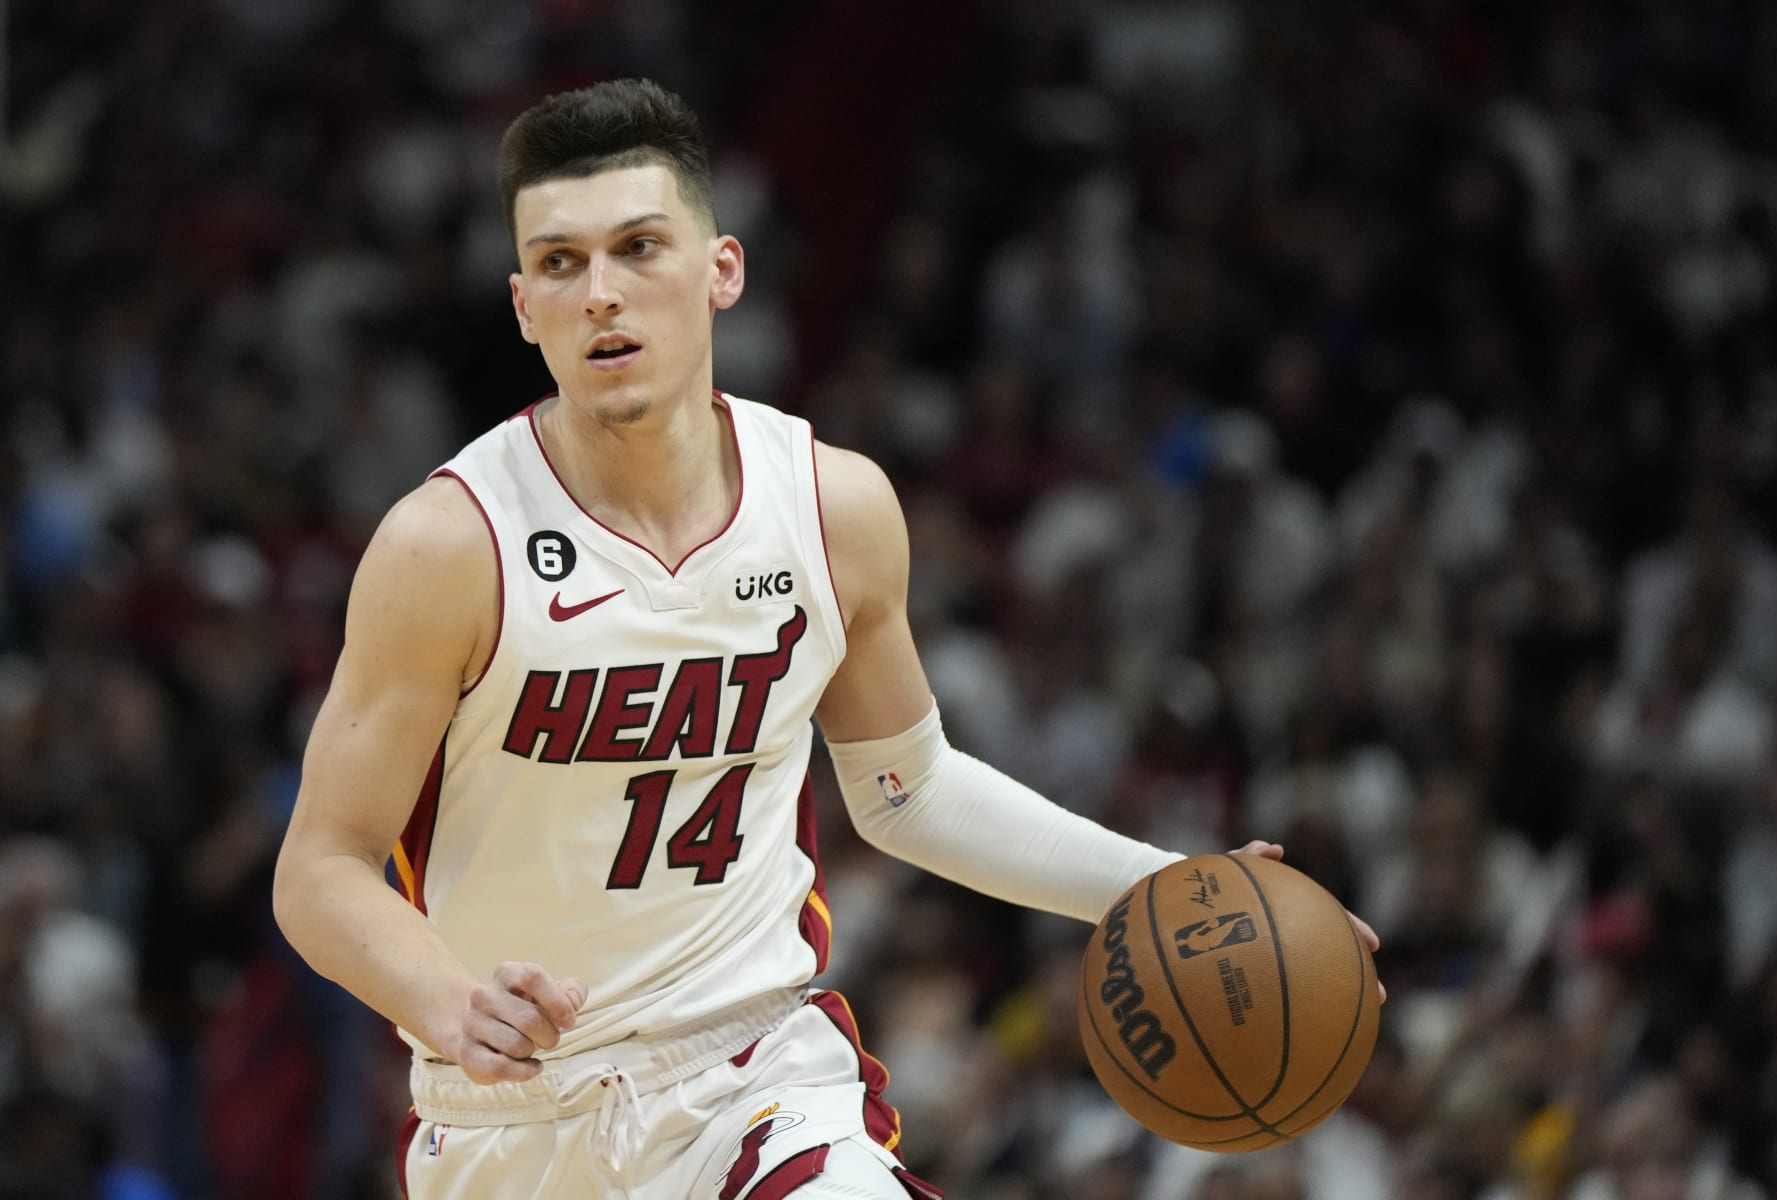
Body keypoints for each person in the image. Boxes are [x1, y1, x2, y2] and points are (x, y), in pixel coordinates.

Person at [271, 78, 1379, 1199]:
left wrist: (1168, 884)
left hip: (748, 1079)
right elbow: (321, 864)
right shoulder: (448, 545)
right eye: (560, 263)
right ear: (522, 306)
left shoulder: (831, 507)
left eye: (640, 247)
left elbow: (910, 790)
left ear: (723, 272)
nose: (601, 293)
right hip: (512, 1121)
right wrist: (444, 1000)